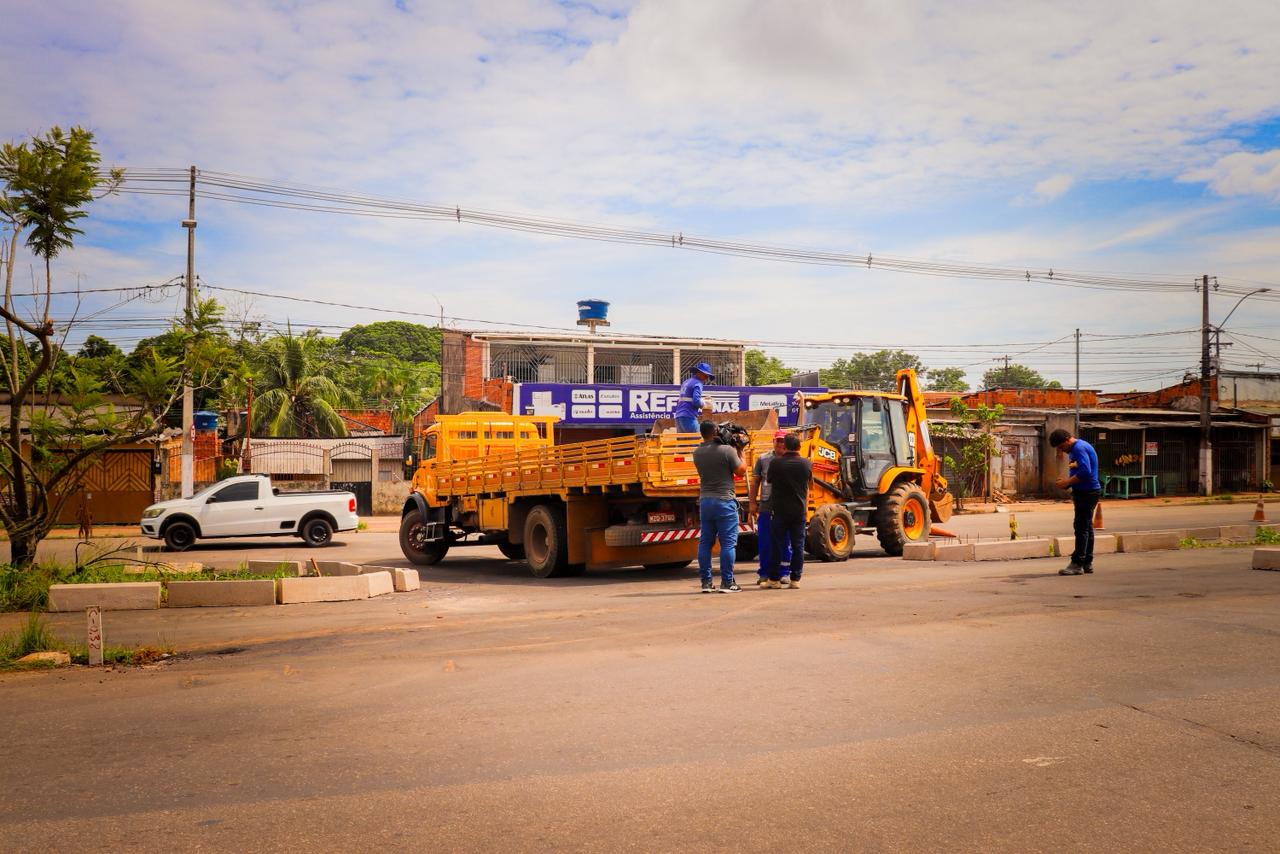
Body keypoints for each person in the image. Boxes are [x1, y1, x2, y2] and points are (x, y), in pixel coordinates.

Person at [693, 419, 747, 592]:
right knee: (728, 544)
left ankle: (706, 583)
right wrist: (741, 451)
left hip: (705, 502)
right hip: (724, 501)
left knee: (705, 543)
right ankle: (727, 582)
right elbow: (741, 471)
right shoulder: (727, 450)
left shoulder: (697, 452)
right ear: (716, 431)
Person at [1049, 428, 1102, 576]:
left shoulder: (1078, 448)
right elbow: (1078, 470)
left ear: (1067, 440)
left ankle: (1077, 563)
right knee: (1086, 527)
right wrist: (1068, 482)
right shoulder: (1076, 449)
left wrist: (1067, 483)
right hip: (1086, 491)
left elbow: (1085, 472)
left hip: (1087, 492)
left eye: (1061, 447)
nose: (1061, 450)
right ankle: (1087, 562)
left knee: (1081, 528)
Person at [765, 433, 812, 589]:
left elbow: (769, 480)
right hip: (799, 511)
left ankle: (774, 579)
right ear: (799, 446)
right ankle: (795, 579)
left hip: (779, 510)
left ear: (784, 446)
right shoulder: (806, 464)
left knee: (776, 544)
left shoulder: (776, 463)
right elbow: (808, 484)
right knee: (798, 545)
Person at [748, 430, 793, 585]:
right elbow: (755, 482)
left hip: (786, 507)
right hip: (767, 505)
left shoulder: (793, 459)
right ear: (773, 441)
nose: (780, 444)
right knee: (765, 541)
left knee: (785, 541)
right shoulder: (763, 459)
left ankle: (784, 572)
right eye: (778, 440)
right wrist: (752, 503)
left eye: (783, 441)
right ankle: (765, 573)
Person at [673, 362, 715, 434]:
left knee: (683, 443)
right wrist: (704, 403)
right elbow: (696, 401)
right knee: (696, 441)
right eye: (706, 376)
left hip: (679, 417)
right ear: (700, 373)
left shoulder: (686, 382)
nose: (706, 379)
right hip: (689, 416)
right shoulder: (698, 384)